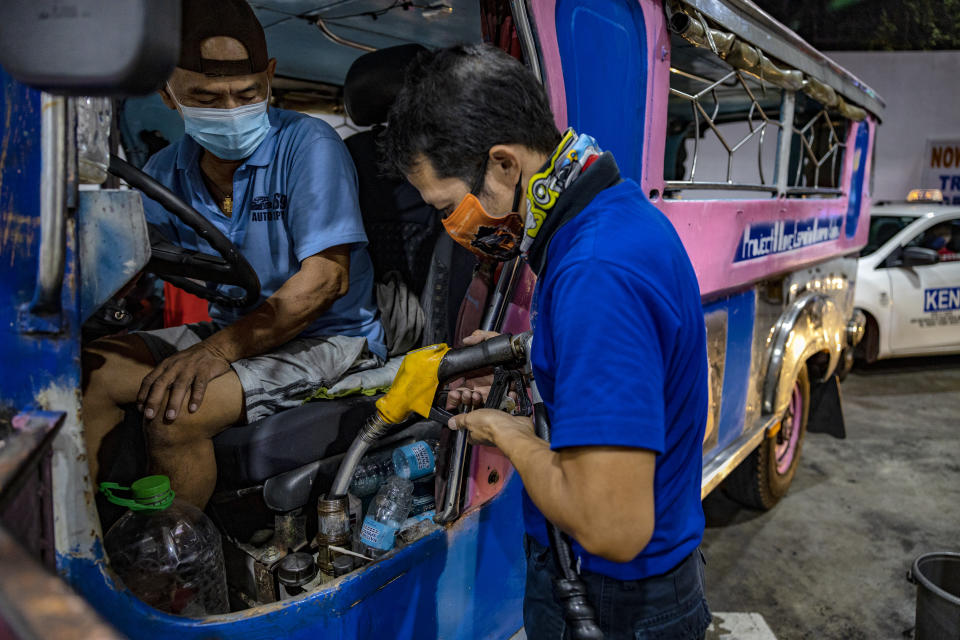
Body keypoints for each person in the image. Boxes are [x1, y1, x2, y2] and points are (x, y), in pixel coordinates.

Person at [383, 45, 711, 639]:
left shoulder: (595, 270)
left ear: (504, 164)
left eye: (450, 207)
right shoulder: (614, 215)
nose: (452, 228)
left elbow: (611, 524)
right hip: (628, 583)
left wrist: (509, 434)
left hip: (615, 597)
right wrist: (531, 359)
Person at [82, 0, 385, 508]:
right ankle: (93, 543)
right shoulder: (163, 171)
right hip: (239, 331)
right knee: (95, 367)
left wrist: (214, 352)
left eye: (246, 94)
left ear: (270, 77)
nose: (229, 111)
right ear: (168, 93)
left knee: (177, 413)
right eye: (205, 97)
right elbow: (122, 261)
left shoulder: (307, 144)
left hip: (332, 338)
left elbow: (325, 281)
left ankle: (172, 568)